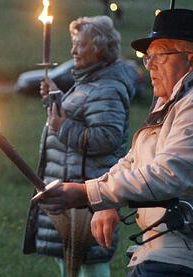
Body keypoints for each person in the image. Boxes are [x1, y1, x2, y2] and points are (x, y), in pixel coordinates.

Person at [37, 9, 193, 277]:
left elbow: (170, 174)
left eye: (159, 56)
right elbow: (135, 160)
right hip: (177, 245)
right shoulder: (176, 99)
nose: (149, 65)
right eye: (148, 57)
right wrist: (106, 201)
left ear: (191, 61)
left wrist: (88, 193)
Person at [23, 16, 137, 277]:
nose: (73, 51)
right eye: (73, 44)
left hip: (86, 197)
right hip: (72, 193)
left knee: (90, 267)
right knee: (72, 265)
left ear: (98, 48)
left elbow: (106, 138)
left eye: (80, 44)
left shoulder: (107, 87)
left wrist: (62, 128)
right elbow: (79, 117)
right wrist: (54, 99)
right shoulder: (90, 81)